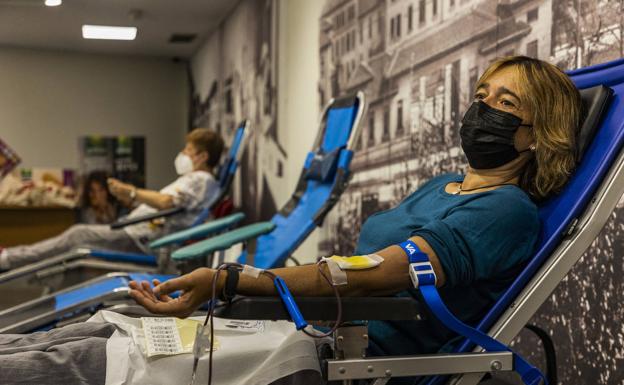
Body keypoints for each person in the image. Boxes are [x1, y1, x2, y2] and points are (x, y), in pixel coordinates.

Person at [0, 57, 582, 385]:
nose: (482, 108)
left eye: (507, 104)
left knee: (69, 363)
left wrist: (235, 281)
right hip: (310, 328)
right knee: (106, 321)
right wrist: (241, 288)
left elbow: (377, 273)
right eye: (482, 93)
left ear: (541, 135)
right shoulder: (442, 186)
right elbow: (352, 268)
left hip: (340, 359)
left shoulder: (505, 210)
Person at [0, 128, 224, 271]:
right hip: (137, 233)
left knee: (78, 234)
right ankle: (12, 256)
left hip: (142, 239)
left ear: (202, 156)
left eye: (188, 150)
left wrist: (132, 191)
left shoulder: (201, 179)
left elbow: (167, 203)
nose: (183, 154)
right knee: (78, 235)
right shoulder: (193, 179)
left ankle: (9, 258)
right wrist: (129, 195)